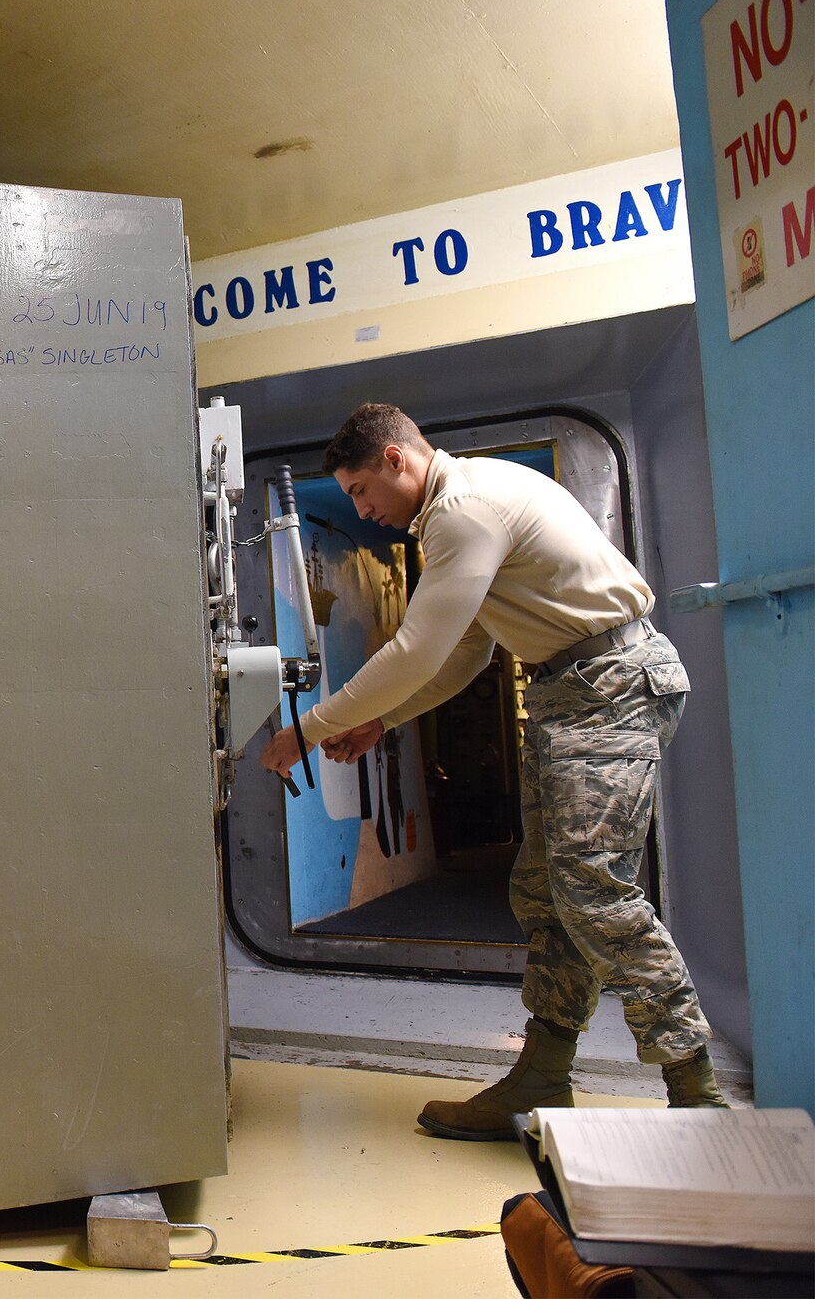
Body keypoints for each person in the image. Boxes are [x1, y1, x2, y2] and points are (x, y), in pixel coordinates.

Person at [258, 403, 728, 1139]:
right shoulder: (459, 512)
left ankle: (699, 1094)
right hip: (570, 692)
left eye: (358, 491)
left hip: (609, 684)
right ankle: (540, 1076)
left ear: (396, 460)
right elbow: (466, 651)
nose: (362, 509)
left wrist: (307, 728)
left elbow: (415, 649)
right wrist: (383, 719)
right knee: (547, 891)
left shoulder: (464, 510)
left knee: (591, 889)